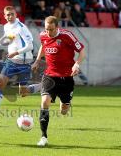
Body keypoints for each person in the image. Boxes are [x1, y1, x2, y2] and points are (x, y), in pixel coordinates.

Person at [27, 16, 85, 146]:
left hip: (67, 77)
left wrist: (77, 64)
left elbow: (81, 51)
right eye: (47, 29)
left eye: (51, 30)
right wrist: (37, 60)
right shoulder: (43, 35)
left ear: (57, 27)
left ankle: (65, 101)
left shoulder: (67, 35)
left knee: (64, 111)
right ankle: (43, 137)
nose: (48, 32)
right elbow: (43, 45)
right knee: (44, 102)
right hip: (50, 75)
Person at [0, 6, 34, 125]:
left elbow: (30, 46)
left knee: (23, 92)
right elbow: (7, 39)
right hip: (12, 61)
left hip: (24, 62)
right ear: (4, 16)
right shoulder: (6, 26)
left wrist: (16, 52)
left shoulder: (22, 28)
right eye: (7, 15)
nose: (10, 16)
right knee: (0, 84)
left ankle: (44, 86)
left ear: (16, 15)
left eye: (12, 14)